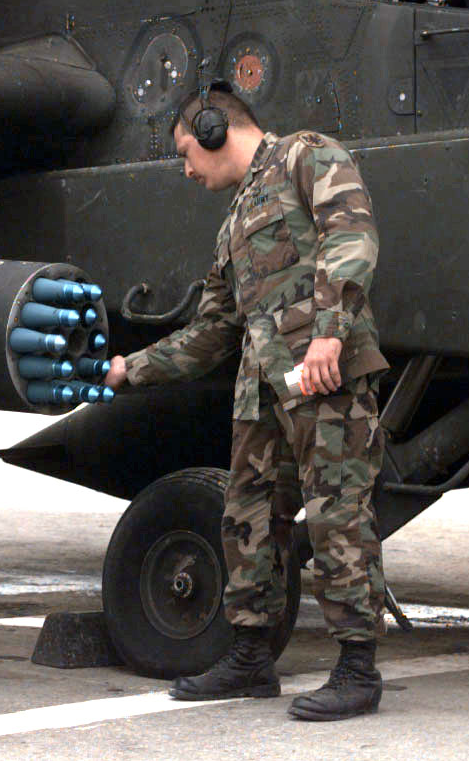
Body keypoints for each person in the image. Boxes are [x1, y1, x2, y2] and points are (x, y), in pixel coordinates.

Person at [104, 84, 389, 721]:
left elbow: (352, 238)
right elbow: (213, 331)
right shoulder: (234, 223)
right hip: (262, 392)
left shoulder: (306, 155)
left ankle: (357, 668)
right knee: (247, 517)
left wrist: (329, 333)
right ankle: (251, 656)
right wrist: (130, 369)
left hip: (324, 376)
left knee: (337, 513)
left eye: (186, 152)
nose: (186, 170)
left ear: (213, 129)